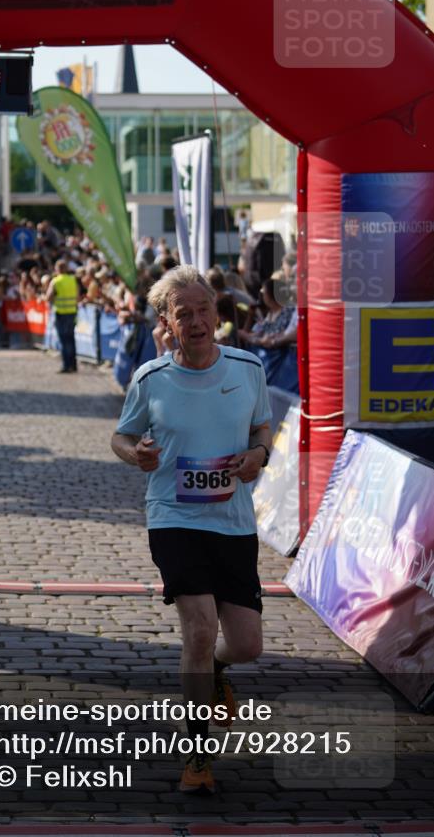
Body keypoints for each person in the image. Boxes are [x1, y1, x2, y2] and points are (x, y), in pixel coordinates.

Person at [111, 265, 272, 795]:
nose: (199, 320)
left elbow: (262, 427)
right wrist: (135, 454)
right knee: (199, 629)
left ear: (216, 313)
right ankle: (197, 754)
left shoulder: (247, 367)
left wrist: (258, 455)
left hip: (232, 522)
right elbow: (122, 436)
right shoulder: (150, 378)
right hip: (174, 516)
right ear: (168, 322)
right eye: (185, 314)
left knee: (246, 644)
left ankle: (221, 673)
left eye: (205, 309)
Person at [46, 259, 79, 373]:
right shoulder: (72, 280)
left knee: (64, 341)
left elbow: (48, 297)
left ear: (57, 269)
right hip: (72, 312)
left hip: (61, 313)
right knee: (71, 339)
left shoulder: (56, 281)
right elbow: (77, 295)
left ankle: (66, 365)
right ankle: (74, 365)